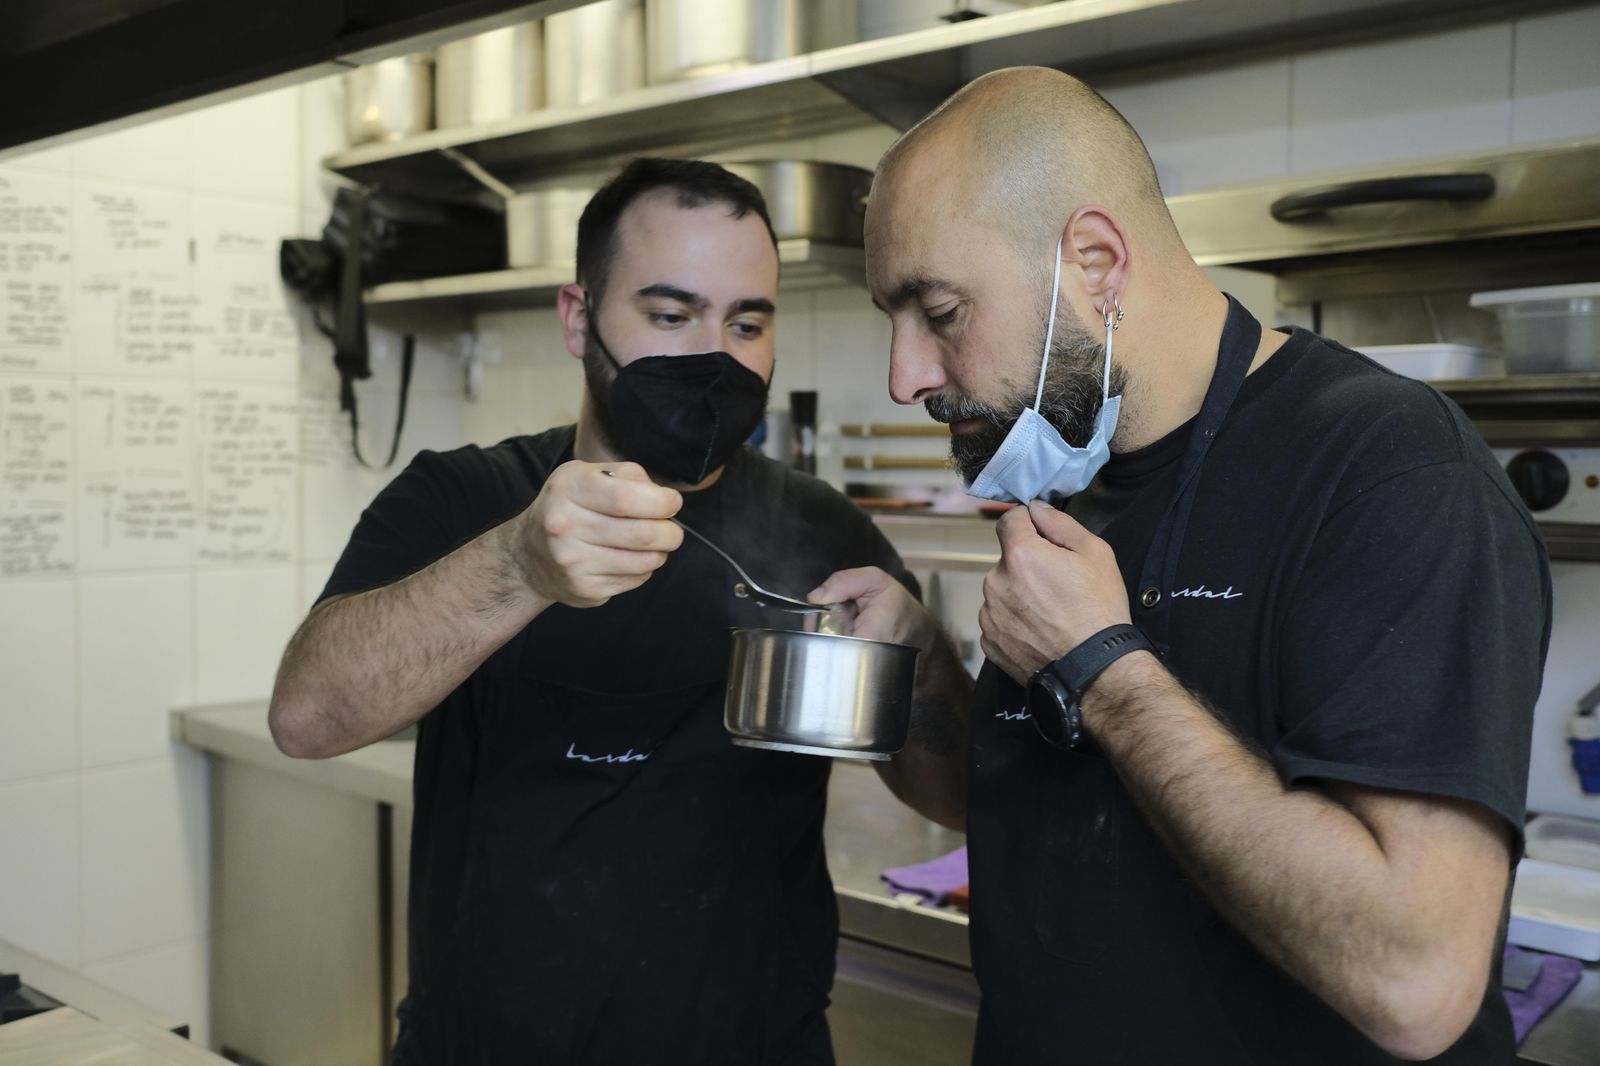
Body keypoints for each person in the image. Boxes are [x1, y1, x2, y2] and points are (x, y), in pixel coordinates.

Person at [859, 67, 1551, 1065]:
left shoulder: (1390, 472)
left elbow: (1413, 981)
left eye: (938, 310)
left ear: (1094, 262)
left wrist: (1104, 667)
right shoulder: (1065, 459)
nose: (904, 376)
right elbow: (1025, 810)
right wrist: (920, 666)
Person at [267, 158, 969, 1066]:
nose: (713, 354)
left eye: (746, 321)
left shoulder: (822, 527)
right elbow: (307, 717)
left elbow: (956, 802)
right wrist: (517, 564)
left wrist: (925, 657)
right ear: (578, 317)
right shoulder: (462, 498)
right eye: (671, 315)